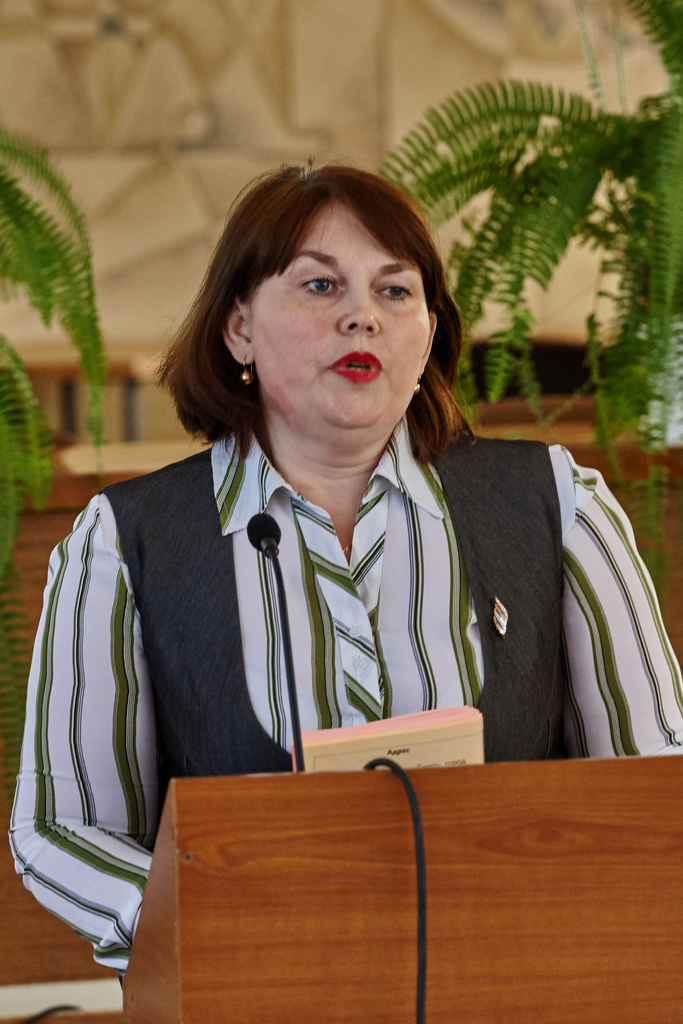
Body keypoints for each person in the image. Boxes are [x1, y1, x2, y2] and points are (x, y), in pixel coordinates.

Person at [10, 164, 683, 974]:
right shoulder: (124, 540)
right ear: (238, 328)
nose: (362, 315)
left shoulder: (559, 504)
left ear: (427, 334)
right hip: (254, 994)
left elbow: (659, 787)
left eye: (395, 291)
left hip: (520, 985)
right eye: (320, 285)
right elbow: (61, 826)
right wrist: (198, 921)